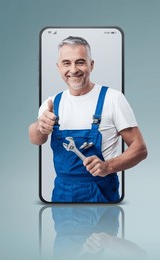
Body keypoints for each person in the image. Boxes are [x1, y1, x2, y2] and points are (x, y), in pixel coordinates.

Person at [29, 36, 147, 203]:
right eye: (66, 63)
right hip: (62, 193)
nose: (73, 69)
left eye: (80, 62)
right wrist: (40, 127)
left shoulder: (113, 99)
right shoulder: (52, 104)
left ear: (91, 65)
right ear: (58, 67)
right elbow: (35, 139)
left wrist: (108, 167)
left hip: (101, 191)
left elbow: (140, 149)